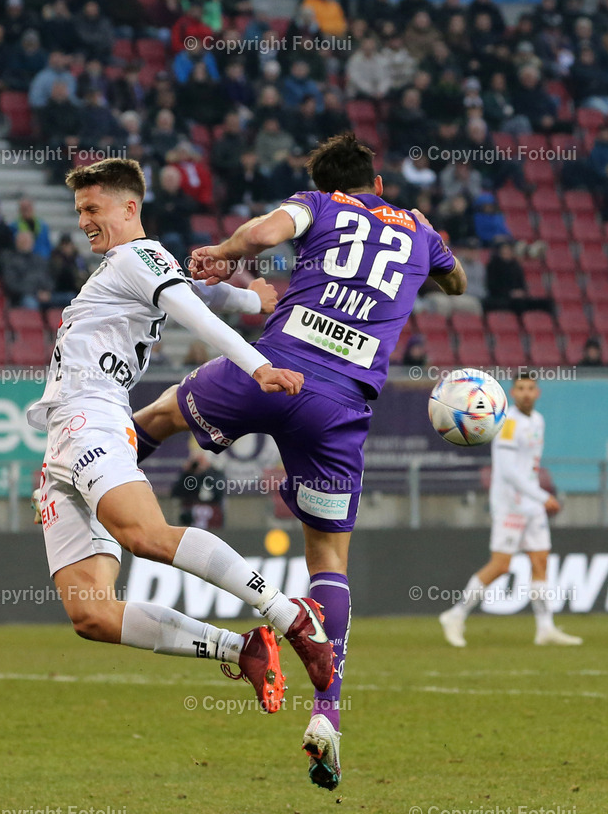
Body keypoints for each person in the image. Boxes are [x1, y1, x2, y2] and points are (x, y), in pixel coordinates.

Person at [129, 134, 467, 790]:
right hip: (339, 407)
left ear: (331, 185)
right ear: (375, 177)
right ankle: (327, 715)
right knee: (328, 560)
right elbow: (453, 281)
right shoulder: (417, 234)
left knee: (163, 415)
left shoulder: (321, 204)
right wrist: (432, 240)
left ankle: (80, 490)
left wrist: (222, 253)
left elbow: (264, 233)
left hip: (271, 370)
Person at [26, 157, 333, 725]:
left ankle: (289, 614)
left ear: (129, 206)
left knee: (144, 534)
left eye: (92, 209)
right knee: (91, 614)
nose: (84, 221)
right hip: (62, 443)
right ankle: (242, 649)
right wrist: (251, 301)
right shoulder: (135, 266)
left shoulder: (135, 256)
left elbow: (193, 312)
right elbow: (197, 295)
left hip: (91, 418)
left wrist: (258, 365)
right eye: (78, 212)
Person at [440, 373, 582, 649]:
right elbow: (506, 470)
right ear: (512, 393)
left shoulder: (538, 420)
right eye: (521, 388)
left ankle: (545, 628)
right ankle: (455, 615)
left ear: (538, 392)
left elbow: (529, 467)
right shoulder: (507, 423)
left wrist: (537, 498)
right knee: (501, 566)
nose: (526, 393)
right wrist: (543, 495)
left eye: (531, 388)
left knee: (540, 561)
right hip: (510, 504)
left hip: (532, 505)